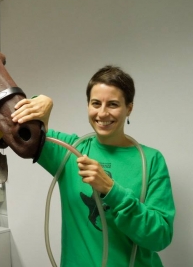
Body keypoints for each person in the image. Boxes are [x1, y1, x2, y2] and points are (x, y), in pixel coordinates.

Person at [11, 65, 175, 267]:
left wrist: (111, 190)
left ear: (129, 108)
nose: (102, 113)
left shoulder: (151, 160)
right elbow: (16, 125)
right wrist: (42, 101)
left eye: (113, 104)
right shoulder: (69, 151)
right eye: (95, 103)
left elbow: (160, 237)